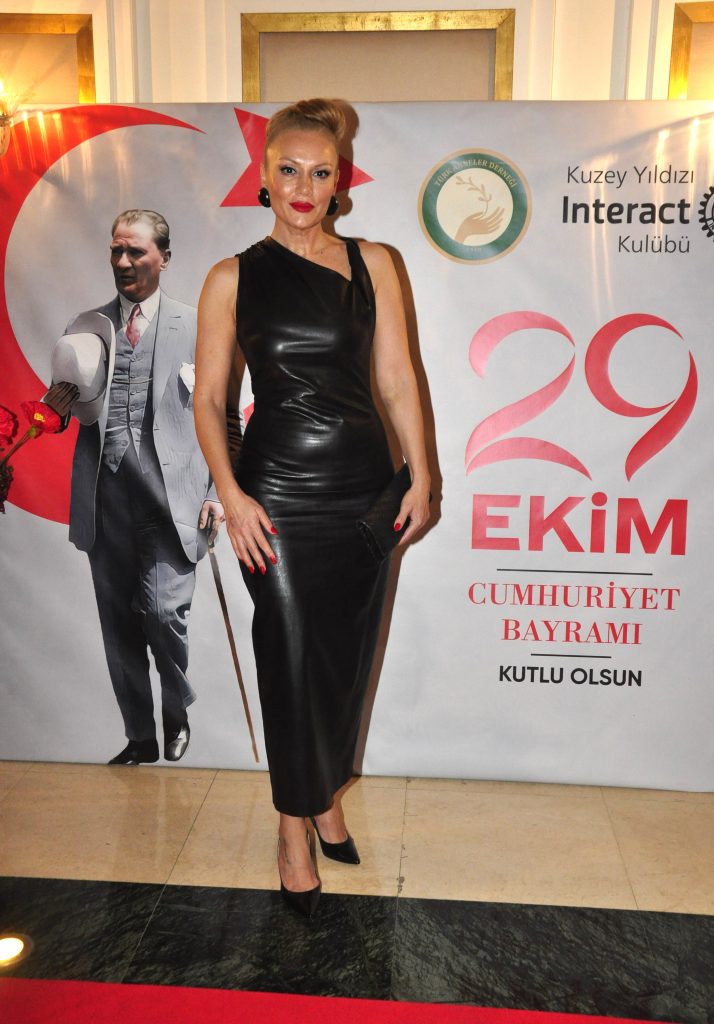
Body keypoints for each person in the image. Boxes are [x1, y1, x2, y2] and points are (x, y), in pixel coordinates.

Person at [194, 99, 430, 915]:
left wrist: (422, 474)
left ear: (340, 181)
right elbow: (210, 399)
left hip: (364, 492)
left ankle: (324, 797)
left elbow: (396, 378)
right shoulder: (232, 277)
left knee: (342, 662)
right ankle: (293, 829)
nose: (303, 186)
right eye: (288, 169)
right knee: (291, 660)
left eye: (320, 172)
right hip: (276, 498)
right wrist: (231, 495)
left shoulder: (375, 264)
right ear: (263, 174)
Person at [60, 209, 224, 765]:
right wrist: (45, 413)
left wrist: (217, 495)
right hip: (106, 499)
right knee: (119, 625)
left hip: (173, 500)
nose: (124, 262)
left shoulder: (198, 326)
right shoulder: (86, 326)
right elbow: (64, 407)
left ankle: (176, 709)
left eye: (136, 252)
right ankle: (139, 736)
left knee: (163, 614)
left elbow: (226, 418)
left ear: (164, 259)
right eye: (117, 251)